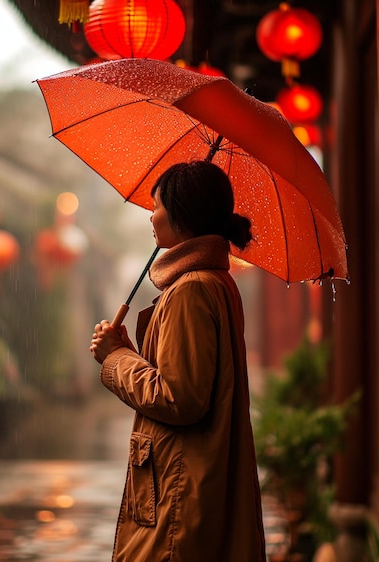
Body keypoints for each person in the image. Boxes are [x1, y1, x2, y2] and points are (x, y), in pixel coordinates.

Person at [90, 161, 266, 562]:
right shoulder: (214, 282)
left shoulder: (191, 290)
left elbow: (179, 398)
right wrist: (130, 352)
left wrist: (115, 360)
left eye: (156, 206)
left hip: (179, 494)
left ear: (179, 212)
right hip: (193, 484)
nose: (151, 216)